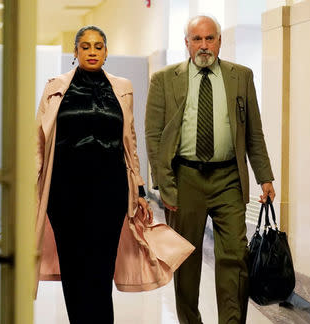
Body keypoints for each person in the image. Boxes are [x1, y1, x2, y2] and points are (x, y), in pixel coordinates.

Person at [35, 26, 194, 324]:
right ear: (76, 51)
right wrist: (32, 190)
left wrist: (141, 192)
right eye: (85, 46)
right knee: (74, 271)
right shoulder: (55, 87)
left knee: (100, 271)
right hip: (64, 195)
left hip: (109, 194)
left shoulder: (122, 88)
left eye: (98, 46)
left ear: (106, 52)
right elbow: (39, 144)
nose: (92, 51)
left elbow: (130, 144)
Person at [145, 15, 276, 324]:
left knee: (234, 256)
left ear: (220, 40)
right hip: (185, 177)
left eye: (210, 38)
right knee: (186, 260)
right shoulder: (164, 79)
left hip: (229, 177)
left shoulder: (240, 76)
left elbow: (253, 131)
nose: (204, 46)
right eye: (197, 39)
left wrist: (265, 176)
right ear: (187, 43)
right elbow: (153, 135)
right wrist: (165, 184)